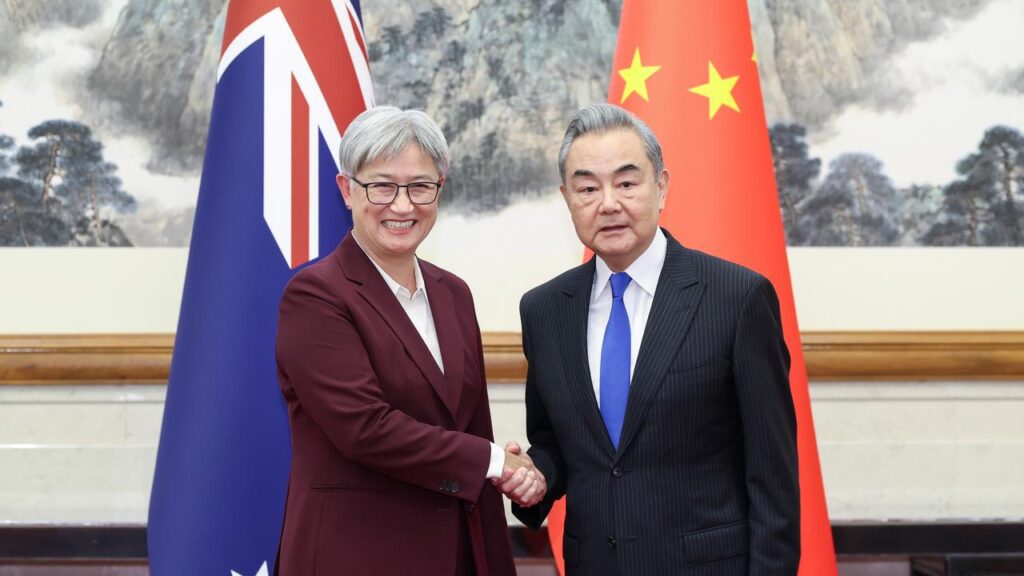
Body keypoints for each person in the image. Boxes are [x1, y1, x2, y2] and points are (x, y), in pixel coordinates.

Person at [509, 103, 800, 575]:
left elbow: (773, 478)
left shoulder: (736, 298)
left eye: (626, 183)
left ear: (661, 186)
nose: (608, 203)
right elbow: (555, 442)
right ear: (567, 198)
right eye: (588, 188)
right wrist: (535, 475)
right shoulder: (544, 310)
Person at [274, 107, 539, 576]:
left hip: (456, 552)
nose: (402, 206)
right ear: (347, 190)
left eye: (419, 186)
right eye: (382, 186)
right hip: (356, 556)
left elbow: (471, 428)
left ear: (439, 188)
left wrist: (500, 474)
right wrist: (494, 460)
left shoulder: (453, 293)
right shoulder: (315, 295)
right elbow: (365, 429)